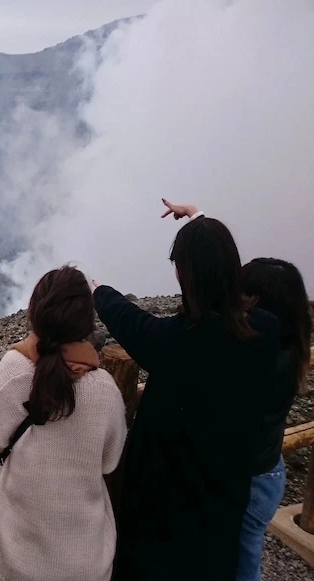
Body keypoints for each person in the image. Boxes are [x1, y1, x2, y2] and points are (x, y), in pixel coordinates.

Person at [93, 200, 280, 581]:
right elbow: (217, 263)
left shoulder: (180, 345)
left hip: (168, 515)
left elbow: (135, 325)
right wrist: (197, 218)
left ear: (188, 276)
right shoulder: (265, 330)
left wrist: (101, 293)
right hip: (224, 502)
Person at [0, 265, 127, 581]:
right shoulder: (105, 389)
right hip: (85, 566)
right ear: (86, 321)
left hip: (18, 562)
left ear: (36, 311)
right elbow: (109, 462)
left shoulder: (15, 368)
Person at [236, 257, 311, 581]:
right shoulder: (291, 352)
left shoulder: (255, 362)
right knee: (245, 558)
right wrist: (198, 219)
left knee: (238, 566)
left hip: (245, 483)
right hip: (268, 475)